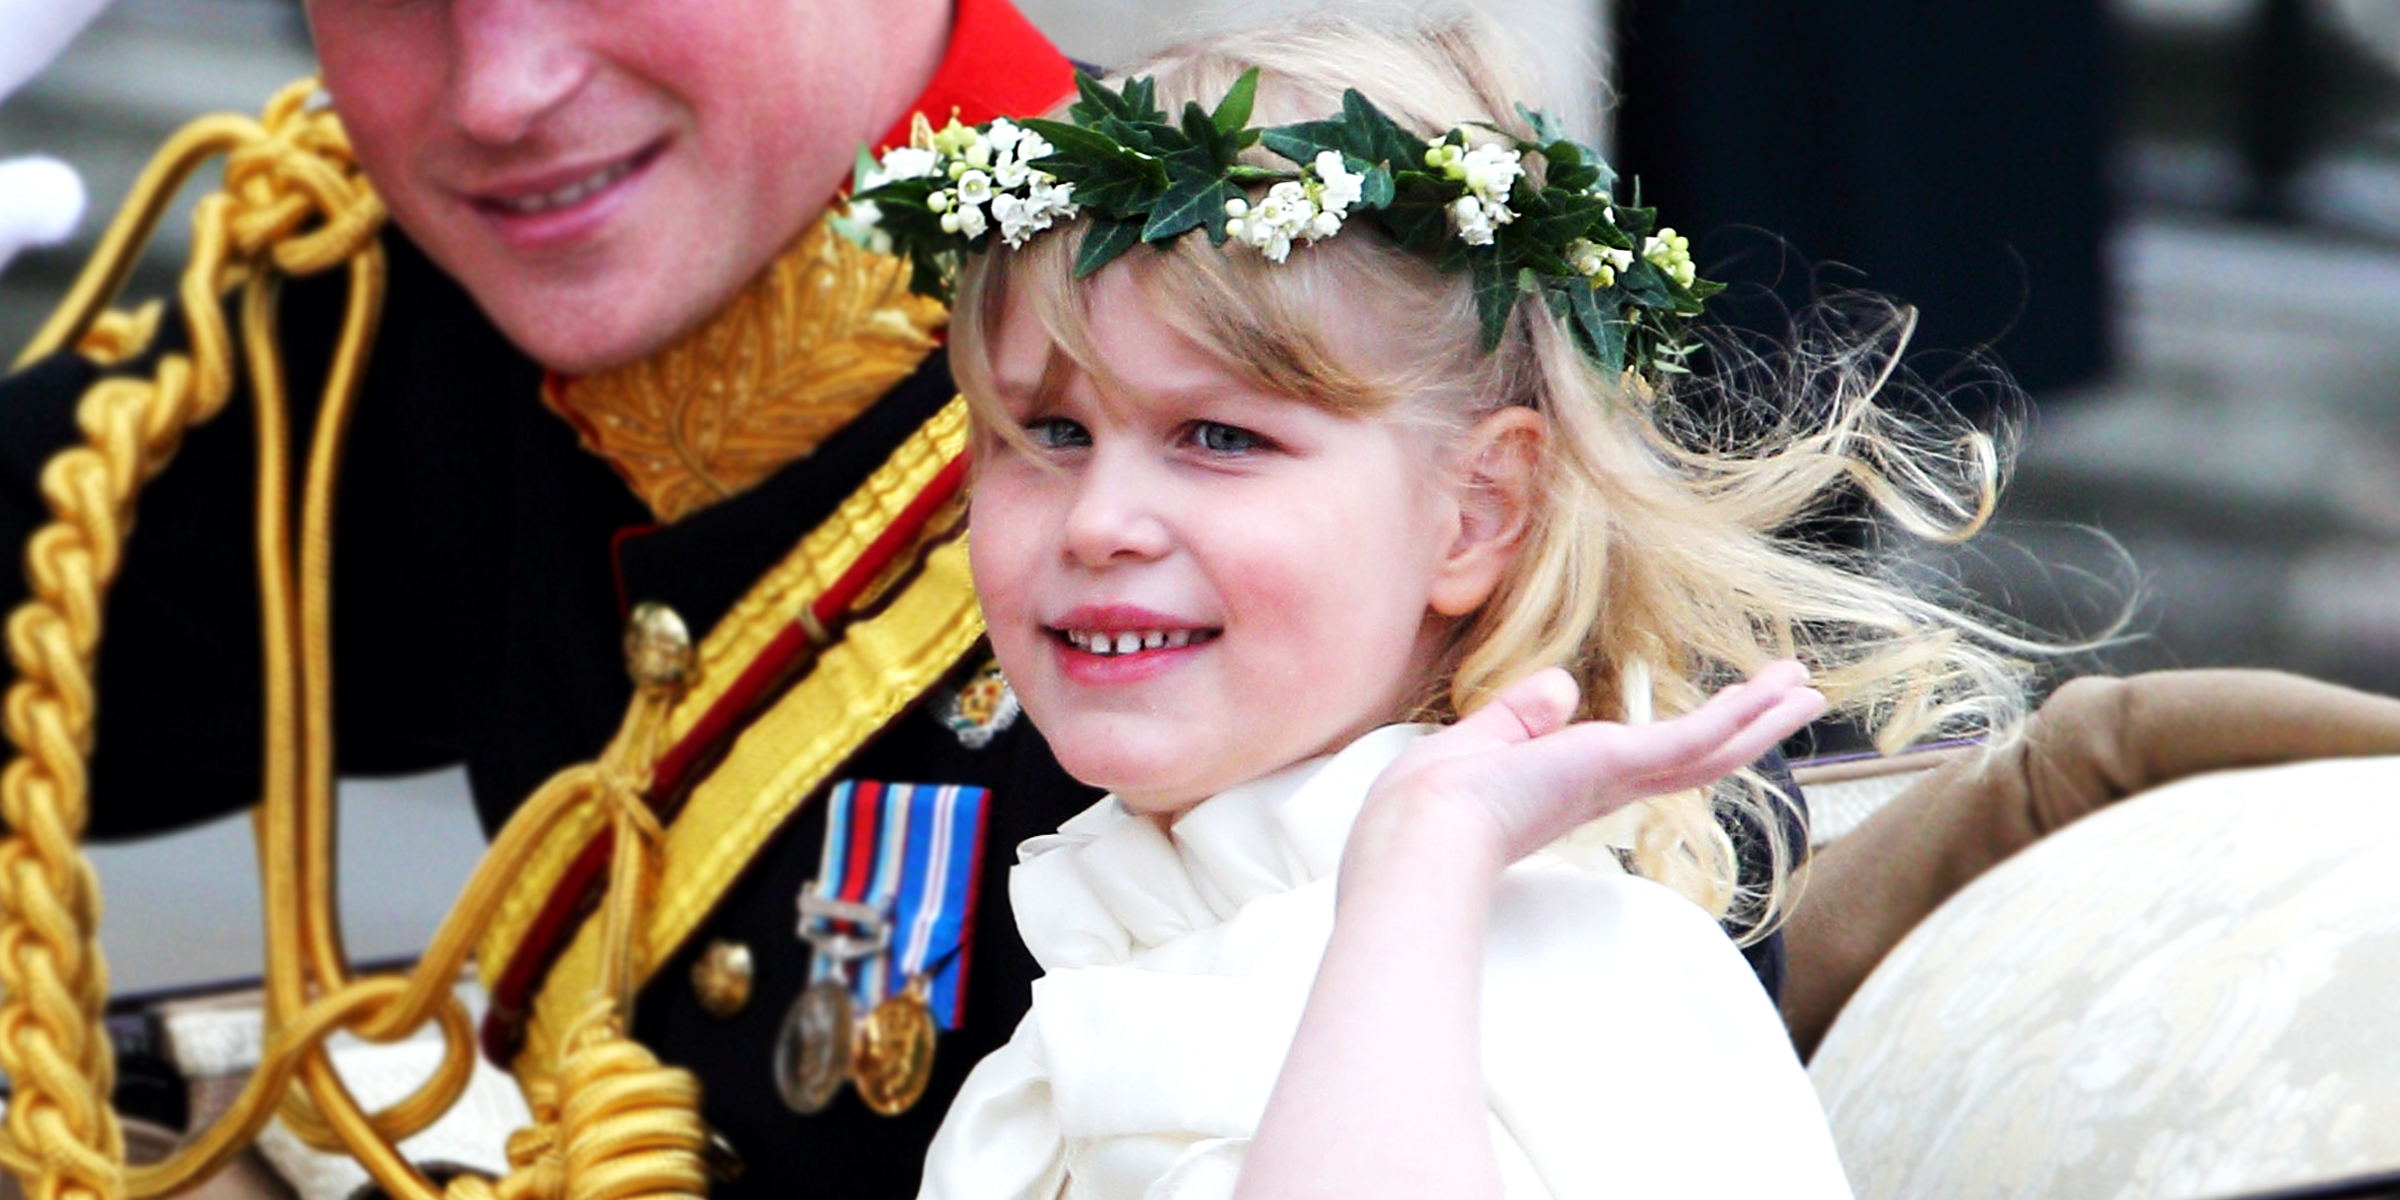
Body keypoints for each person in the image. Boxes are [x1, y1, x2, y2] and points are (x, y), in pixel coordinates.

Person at [865, 17, 2019, 1196]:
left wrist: (1421, 876)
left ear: (1476, 511)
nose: (1099, 519)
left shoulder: (1590, 986)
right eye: (1050, 433)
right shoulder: (1106, 939)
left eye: (1220, 436)